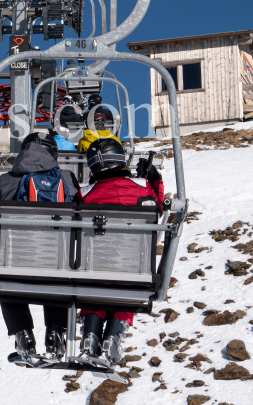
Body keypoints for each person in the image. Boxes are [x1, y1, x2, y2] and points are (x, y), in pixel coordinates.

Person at [75, 138, 164, 367]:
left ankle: (89, 339)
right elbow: (158, 210)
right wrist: (155, 179)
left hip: (95, 268)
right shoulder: (142, 188)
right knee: (126, 285)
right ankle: (111, 341)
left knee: (96, 285)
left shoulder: (84, 194)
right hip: (133, 268)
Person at [0, 132, 80, 364]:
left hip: (16, 263)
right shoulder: (67, 178)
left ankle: (23, 335)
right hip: (57, 261)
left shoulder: (5, 181)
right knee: (58, 274)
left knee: (6, 276)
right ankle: (56, 333)